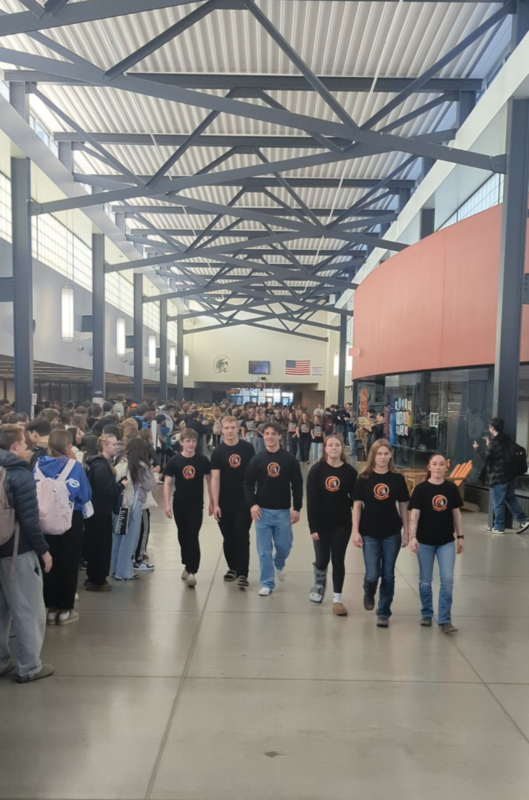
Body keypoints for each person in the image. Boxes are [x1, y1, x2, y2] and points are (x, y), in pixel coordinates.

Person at [0, 425, 54, 683]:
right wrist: (43, 551)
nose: (27, 448)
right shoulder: (19, 476)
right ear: (14, 447)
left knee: (1, 612)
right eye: (23, 443)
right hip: (16, 552)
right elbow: (29, 521)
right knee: (28, 610)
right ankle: (29, 667)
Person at [35, 429, 92, 626]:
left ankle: (49, 609)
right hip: (69, 519)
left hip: (42, 520)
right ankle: (64, 611)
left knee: (48, 564)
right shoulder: (74, 466)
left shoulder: (38, 464)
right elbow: (85, 494)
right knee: (68, 564)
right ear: (67, 446)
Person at [352, 439, 410, 628]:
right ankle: (369, 592)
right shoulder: (364, 478)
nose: (383, 457)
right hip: (369, 531)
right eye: (379, 454)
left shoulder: (397, 478)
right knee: (372, 575)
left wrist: (407, 530)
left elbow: (403, 505)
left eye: (386, 453)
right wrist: (355, 531)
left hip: (391, 532)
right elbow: (357, 506)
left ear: (391, 455)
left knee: (388, 575)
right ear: (373, 455)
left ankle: (384, 611)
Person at [244, 421, 303, 596]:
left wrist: (297, 507)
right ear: (264, 436)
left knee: (284, 545)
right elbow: (247, 484)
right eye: (266, 434)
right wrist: (252, 504)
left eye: (273, 434)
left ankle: (279, 564)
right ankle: (267, 583)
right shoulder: (257, 460)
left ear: (279, 436)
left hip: (283, 511)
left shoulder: (289, 459)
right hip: (262, 511)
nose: (269, 437)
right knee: (264, 551)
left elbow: (298, 485)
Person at [408, 454, 464, 634]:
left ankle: (445, 619)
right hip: (424, 542)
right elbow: (414, 515)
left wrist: (460, 536)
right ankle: (426, 613)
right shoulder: (421, 489)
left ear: (445, 468)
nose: (438, 467)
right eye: (435, 464)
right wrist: (413, 537)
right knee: (425, 580)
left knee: (447, 580)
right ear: (429, 467)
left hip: (446, 542)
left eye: (441, 464)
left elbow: (456, 514)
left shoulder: (451, 489)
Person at [307, 435, 358, 615]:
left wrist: (358, 525)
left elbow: (356, 501)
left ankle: (337, 599)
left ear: (342, 448)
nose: (334, 447)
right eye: (330, 445)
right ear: (325, 449)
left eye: (337, 445)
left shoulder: (350, 472)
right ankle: (319, 584)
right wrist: (313, 527)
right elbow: (311, 501)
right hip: (321, 524)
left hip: (342, 523)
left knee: (338, 560)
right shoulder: (316, 470)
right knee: (322, 559)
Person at [163, 429, 213, 588]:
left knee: (193, 535)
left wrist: (213, 501)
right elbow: (167, 483)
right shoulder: (174, 461)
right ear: (181, 442)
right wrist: (166, 504)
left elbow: (210, 481)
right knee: (182, 535)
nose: (191, 444)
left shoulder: (203, 461)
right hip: (179, 504)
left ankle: (192, 570)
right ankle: (186, 562)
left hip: (196, 505)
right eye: (188, 441)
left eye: (193, 441)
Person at [211, 416, 255, 589]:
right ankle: (232, 568)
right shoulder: (217, 452)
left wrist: (254, 499)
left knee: (242, 535)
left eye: (232, 427)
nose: (229, 431)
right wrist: (215, 503)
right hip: (224, 500)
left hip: (244, 499)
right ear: (222, 430)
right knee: (228, 536)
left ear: (238, 428)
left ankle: (243, 573)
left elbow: (254, 474)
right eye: (226, 428)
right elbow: (215, 478)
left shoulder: (248, 448)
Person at [84, 433, 126, 591]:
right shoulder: (101, 466)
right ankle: (97, 580)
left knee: (97, 546)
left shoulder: (99, 464)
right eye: (114, 444)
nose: (116, 447)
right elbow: (104, 490)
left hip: (97, 511)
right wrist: (121, 486)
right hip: (100, 512)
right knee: (100, 547)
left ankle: (94, 577)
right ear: (104, 446)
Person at [473, 417, 529, 534]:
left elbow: (487, 458)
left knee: (497, 503)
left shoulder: (495, 442)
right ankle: (523, 519)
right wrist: (490, 445)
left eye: (489, 426)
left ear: (492, 428)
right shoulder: (508, 439)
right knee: (510, 498)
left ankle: (499, 526)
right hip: (511, 476)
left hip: (499, 477)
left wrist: (477, 449)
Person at [112, 438, 157, 581]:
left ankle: (113, 568)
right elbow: (150, 485)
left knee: (117, 537)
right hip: (134, 505)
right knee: (129, 539)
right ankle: (124, 572)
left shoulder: (119, 462)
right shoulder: (142, 467)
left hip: (119, 504)